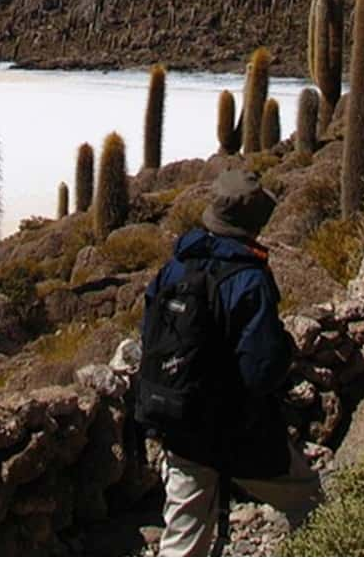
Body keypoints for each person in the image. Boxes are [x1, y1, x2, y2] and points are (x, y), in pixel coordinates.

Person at [136, 167, 323, 556]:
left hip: (178, 424)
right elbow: (261, 370)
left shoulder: (175, 266)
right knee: (309, 501)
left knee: (182, 541)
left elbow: (149, 335)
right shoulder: (249, 278)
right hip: (236, 431)